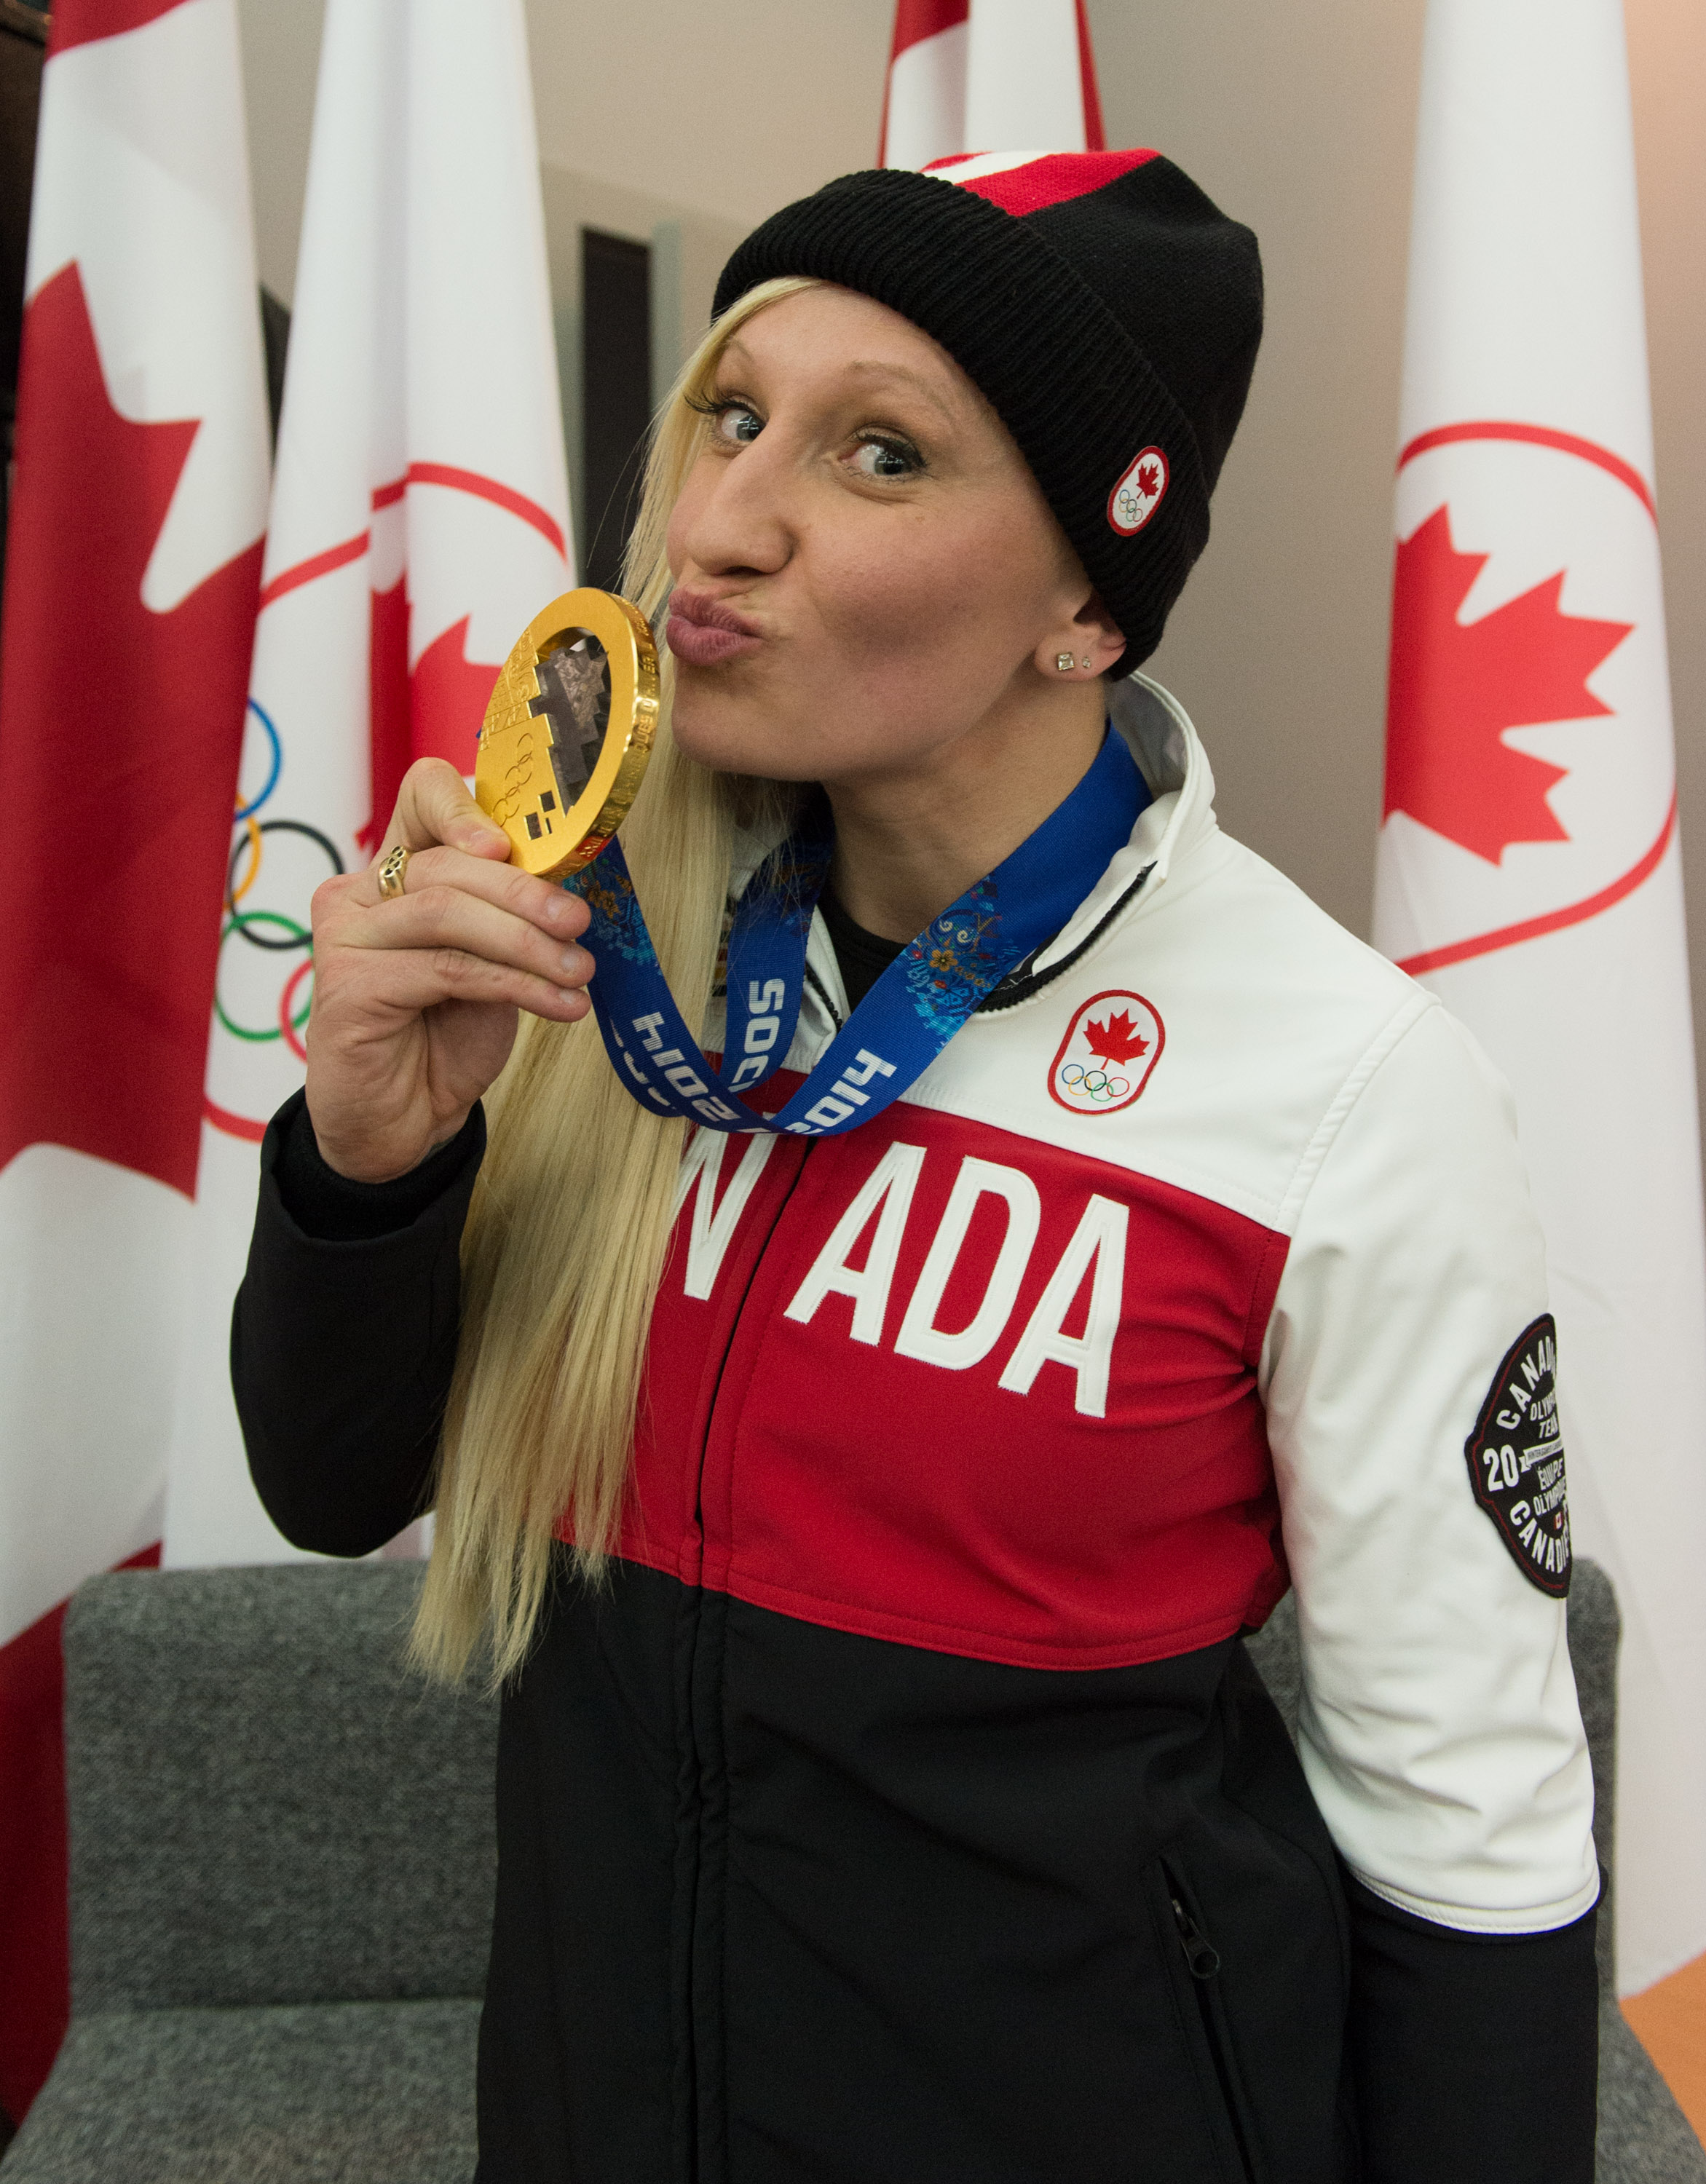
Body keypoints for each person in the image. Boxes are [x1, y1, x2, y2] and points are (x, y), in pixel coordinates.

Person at [234, 151, 1600, 2184]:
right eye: (732, 414)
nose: (719, 522)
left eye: (880, 454)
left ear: (1085, 607)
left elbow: (1471, 1828)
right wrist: (371, 1159)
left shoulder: (1349, 1087)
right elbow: (332, 1489)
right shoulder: (596, 951)